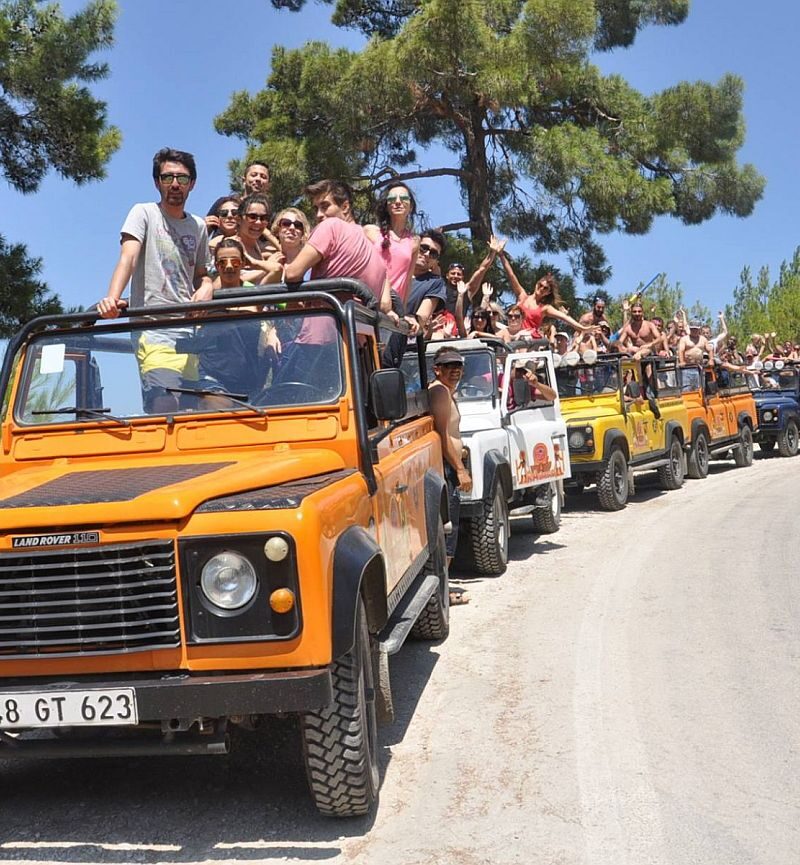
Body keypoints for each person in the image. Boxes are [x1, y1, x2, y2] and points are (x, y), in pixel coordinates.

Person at [99, 147, 213, 413]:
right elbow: (128, 258)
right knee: (164, 405)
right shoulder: (144, 213)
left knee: (192, 412)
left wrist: (207, 287)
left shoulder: (198, 226)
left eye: (182, 178)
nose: (175, 184)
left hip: (188, 333)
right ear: (156, 182)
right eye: (167, 177)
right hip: (153, 328)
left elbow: (202, 274)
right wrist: (112, 298)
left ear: (192, 184)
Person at [428, 347, 473, 597]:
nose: (455, 369)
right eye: (449, 365)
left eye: (458, 365)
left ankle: (442, 589)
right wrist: (459, 469)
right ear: (438, 369)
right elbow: (442, 435)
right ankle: (441, 593)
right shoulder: (440, 392)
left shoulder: (446, 391)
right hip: (447, 466)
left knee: (451, 529)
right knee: (449, 529)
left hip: (451, 464)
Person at [498, 252, 598, 341]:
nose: (541, 288)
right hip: (515, 339)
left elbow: (564, 317)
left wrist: (582, 328)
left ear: (547, 293)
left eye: (545, 288)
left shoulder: (545, 308)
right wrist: (501, 254)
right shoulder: (522, 296)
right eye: (540, 285)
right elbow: (511, 275)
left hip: (531, 342)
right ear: (536, 284)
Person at [363, 183, 419, 304]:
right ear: (386, 206)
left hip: (393, 309)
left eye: (403, 198)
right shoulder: (370, 232)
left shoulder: (414, 242)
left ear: (411, 206)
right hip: (368, 302)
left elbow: (407, 281)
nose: (398, 202)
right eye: (392, 199)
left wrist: (403, 313)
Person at [442, 235, 506, 314]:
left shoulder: (467, 290)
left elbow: (481, 270)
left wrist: (492, 252)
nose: (455, 276)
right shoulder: (439, 288)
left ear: (462, 277)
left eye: (458, 274)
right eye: (453, 273)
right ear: (447, 275)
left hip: (458, 325)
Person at [402, 230, 448, 334]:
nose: (427, 254)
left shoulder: (435, 283)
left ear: (436, 262)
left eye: (433, 253)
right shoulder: (394, 267)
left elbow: (422, 317)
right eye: (423, 248)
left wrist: (413, 320)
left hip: (400, 335)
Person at [236, 193, 280, 284]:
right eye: (252, 217)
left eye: (264, 218)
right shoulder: (232, 246)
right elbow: (230, 280)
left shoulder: (257, 248)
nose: (258, 222)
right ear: (239, 219)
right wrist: (268, 267)